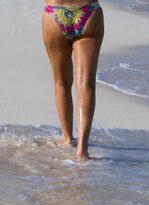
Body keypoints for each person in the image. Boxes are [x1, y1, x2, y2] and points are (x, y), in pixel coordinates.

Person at [42, 1, 104, 161]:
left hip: (54, 13)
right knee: (86, 84)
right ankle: (82, 148)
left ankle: (68, 138)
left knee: (61, 82)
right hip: (88, 12)